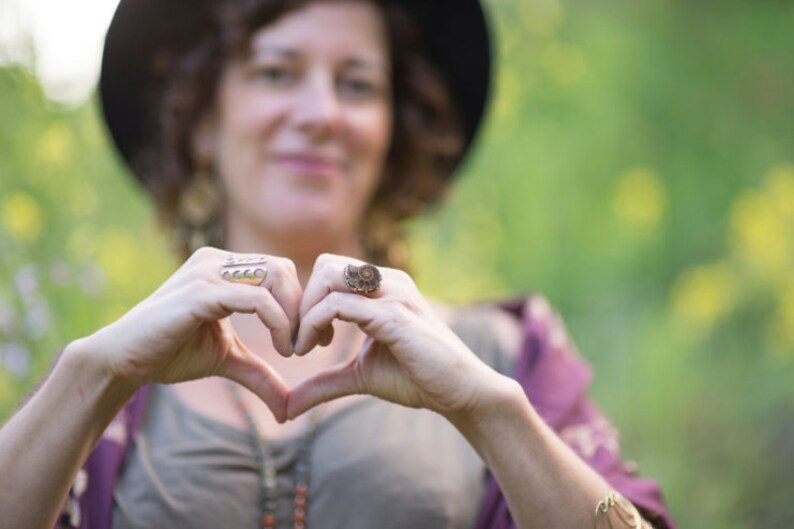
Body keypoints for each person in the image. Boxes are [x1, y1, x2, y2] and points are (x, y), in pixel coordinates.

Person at [0, 0, 676, 528]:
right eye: (276, 73)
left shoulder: (505, 354)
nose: (321, 113)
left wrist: (491, 410)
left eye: (356, 85)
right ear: (203, 118)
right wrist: (90, 378)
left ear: (393, 129)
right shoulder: (113, 376)